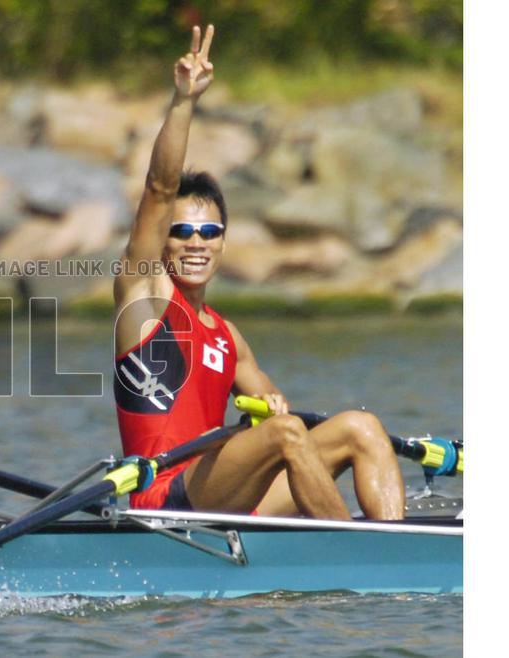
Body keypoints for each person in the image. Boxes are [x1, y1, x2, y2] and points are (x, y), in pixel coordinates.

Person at [113, 25, 404, 520]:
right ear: (163, 242)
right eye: (182, 230)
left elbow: (274, 405)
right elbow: (160, 188)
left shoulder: (230, 338)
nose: (196, 242)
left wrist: (271, 402)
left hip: (221, 493)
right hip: (164, 497)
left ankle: (396, 554)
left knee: (361, 426)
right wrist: (183, 101)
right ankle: (354, 550)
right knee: (288, 436)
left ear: (224, 240)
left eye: (209, 232)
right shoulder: (147, 298)